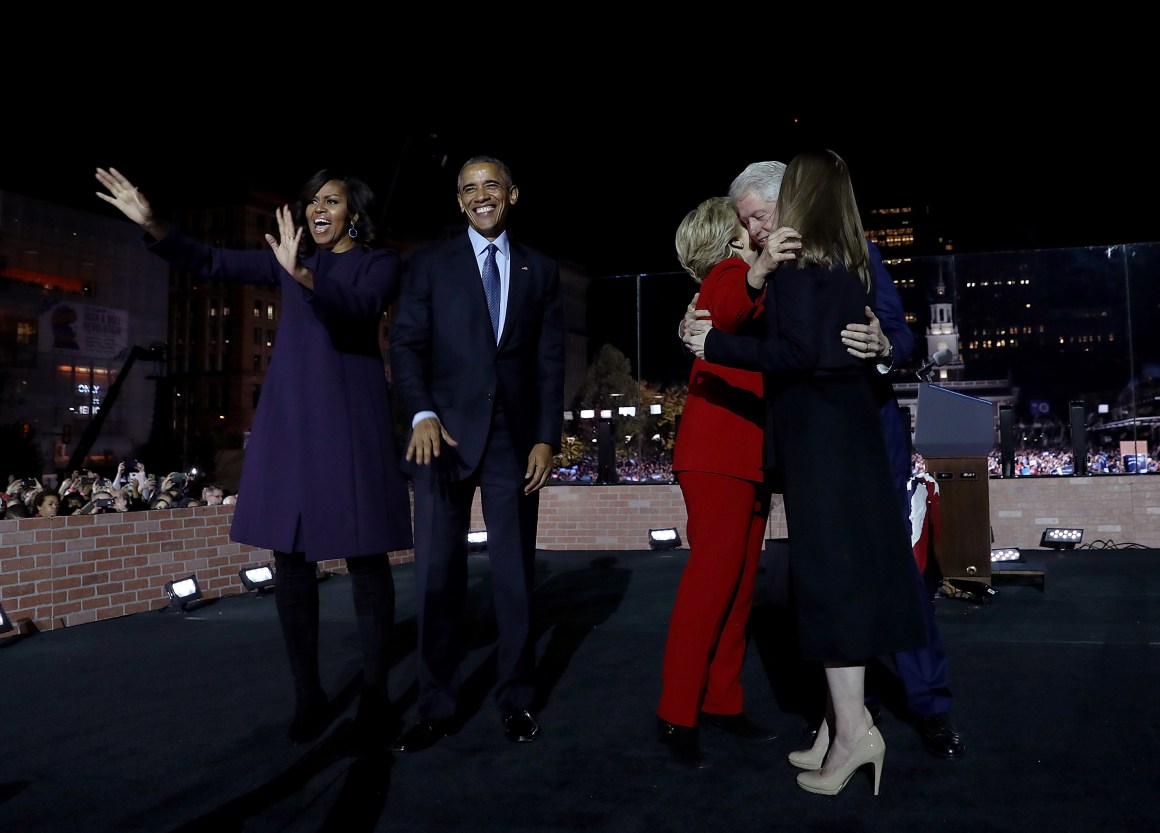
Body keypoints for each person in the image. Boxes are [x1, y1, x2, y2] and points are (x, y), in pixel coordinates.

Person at [95, 166, 413, 749]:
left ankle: (375, 695)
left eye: (331, 201)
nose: (318, 209)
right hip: (290, 425)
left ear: (354, 215)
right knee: (290, 557)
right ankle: (307, 694)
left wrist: (305, 278)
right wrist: (154, 223)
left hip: (349, 422)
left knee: (366, 558)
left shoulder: (379, 261)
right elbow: (211, 260)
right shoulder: (283, 257)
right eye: (312, 199)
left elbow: (359, 307)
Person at [684, 160, 966, 761]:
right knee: (828, 576)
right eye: (747, 224)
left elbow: (901, 336)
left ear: (789, 200)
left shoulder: (855, 249)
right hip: (807, 437)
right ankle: (841, 721)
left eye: (760, 216)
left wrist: (886, 347)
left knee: (888, 571)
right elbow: (756, 327)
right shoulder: (770, 265)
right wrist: (744, 288)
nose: (755, 231)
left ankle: (928, 706)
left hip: (864, 435)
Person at [389, 155, 565, 751]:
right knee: (438, 580)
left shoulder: (540, 269)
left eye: (491, 185)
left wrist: (546, 436)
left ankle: (517, 698)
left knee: (514, 580)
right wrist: (421, 412)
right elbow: (406, 349)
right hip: (440, 441)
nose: (480, 195)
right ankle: (437, 706)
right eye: (468, 188)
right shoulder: (429, 266)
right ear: (458, 200)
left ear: (513, 195)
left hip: (513, 443)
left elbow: (548, 361)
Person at [655, 196, 784, 768]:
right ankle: (677, 711)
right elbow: (730, 309)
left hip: (743, 455)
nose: (754, 226)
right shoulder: (728, 275)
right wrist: (755, 270)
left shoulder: (725, 283)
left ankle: (722, 701)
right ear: (728, 237)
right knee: (712, 585)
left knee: (736, 587)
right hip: (720, 456)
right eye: (745, 223)